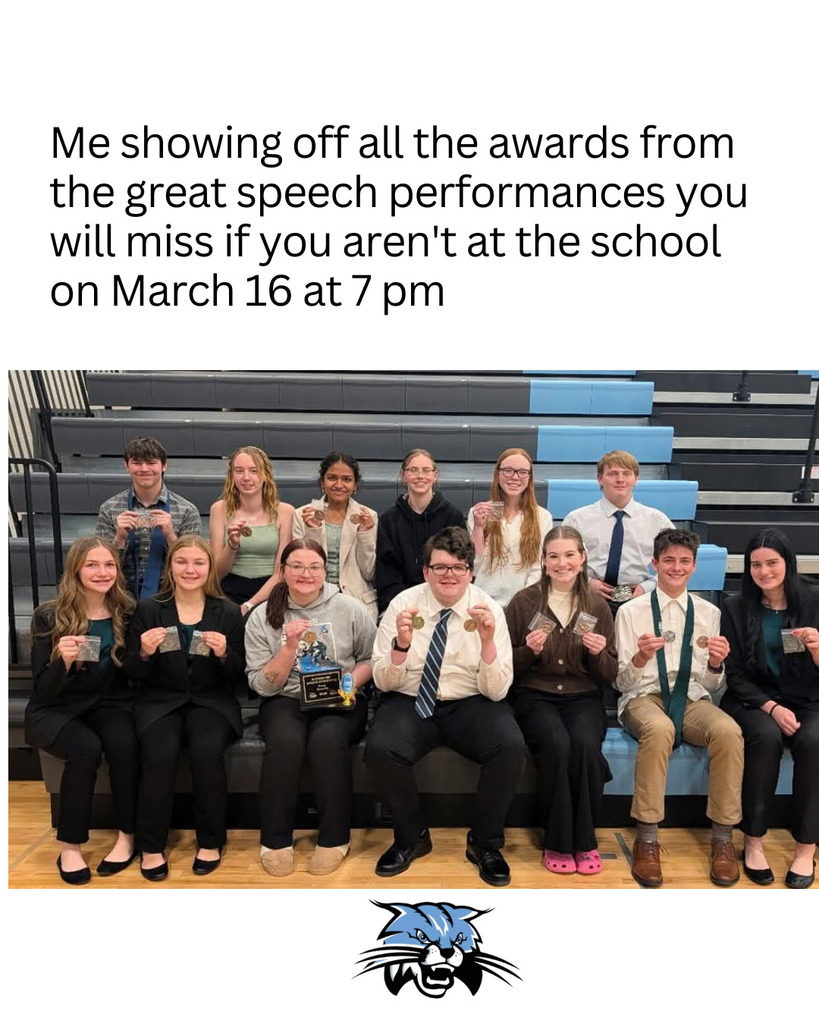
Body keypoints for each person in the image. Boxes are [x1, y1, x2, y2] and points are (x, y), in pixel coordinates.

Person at [366, 526, 525, 887]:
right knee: (379, 748)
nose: (449, 575)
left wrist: (487, 643)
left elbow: (498, 692)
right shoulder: (402, 605)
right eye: (440, 567)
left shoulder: (489, 610)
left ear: (470, 571)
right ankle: (411, 837)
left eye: (458, 567)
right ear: (426, 571)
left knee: (511, 747)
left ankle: (484, 844)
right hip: (410, 699)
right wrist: (401, 647)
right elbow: (383, 681)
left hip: (471, 701)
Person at [614, 527, 743, 887]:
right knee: (659, 728)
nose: (676, 567)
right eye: (668, 560)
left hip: (690, 697)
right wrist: (640, 657)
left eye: (684, 561)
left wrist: (717, 665)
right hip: (643, 697)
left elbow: (714, 685)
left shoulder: (708, 612)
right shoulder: (630, 611)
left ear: (695, 566)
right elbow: (620, 683)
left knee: (729, 732)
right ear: (654, 564)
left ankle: (722, 836)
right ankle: (648, 837)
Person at [244, 539, 376, 877]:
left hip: (339, 697)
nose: (306, 573)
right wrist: (289, 647)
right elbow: (262, 684)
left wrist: (350, 683)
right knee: (286, 744)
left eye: (314, 567)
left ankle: (334, 839)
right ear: (283, 571)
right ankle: (275, 841)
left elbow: (371, 659)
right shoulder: (262, 616)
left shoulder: (349, 607)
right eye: (297, 566)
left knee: (326, 741)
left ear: (324, 571)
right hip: (285, 698)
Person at [125, 536, 245, 881]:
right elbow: (132, 673)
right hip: (160, 701)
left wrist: (224, 655)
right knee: (159, 754)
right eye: (182, 562)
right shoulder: (149, 608)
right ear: (170, 567)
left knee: (207, 752)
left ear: (210, 568)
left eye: (198, 563)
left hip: (211, 701)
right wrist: (145, 653)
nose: (190, 570)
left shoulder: (227, 610)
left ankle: (210, 841)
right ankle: (151, 847)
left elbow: (239, 676)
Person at [25, 537, 138, 885]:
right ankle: (69, 845)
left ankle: (127, 836)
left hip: (108, 704)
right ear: (76, 569)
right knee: (85, 749)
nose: (102, 572)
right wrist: (64, 661)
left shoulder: (128, 612)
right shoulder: (49, 615)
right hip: (57, 707)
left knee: (124, 744)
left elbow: (132, 673)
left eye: (108, 565)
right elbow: (43, 688)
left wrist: (144, 654)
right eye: (92, 564)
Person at [505, 526, 616, 875]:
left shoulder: (597, 605)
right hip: (534, 696)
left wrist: (598, 655)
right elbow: (505, 666)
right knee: (556, 743)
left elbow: (610, 673)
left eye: (569, 555)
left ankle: (585, 841)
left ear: (582, 559)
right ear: (544, 561)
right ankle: (556, 839)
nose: (562, 562)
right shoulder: (523, 602)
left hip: (583, 696)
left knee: (584, 745)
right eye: (554, 555)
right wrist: (528, 652)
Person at [720, 528, 819, 888]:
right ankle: (753, 840)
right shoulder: (734, 606)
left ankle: (806, 848)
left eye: (771, 563)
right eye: (755, 564)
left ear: (787, 563)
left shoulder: (814, 600)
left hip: (808, 698)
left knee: (814, 742)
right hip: (753, 699)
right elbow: (732, 672)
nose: (764, 571)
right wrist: (771, 707)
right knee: (765, 738)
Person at [96, 435, 202, 600]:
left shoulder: (187, 510)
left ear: (164, 465)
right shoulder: (109, 508)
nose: (144, 468)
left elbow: (193, 565)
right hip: (120, 597)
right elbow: (99, 565)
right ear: (126, 466)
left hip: (172, 596)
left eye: (151, 463)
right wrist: (119, 539)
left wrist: (170, 536)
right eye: (137, 463)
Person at [562, 450, 673, 608]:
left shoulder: (658, 521)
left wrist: (647, 587)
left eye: (627, 473)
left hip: (640, 600)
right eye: (613, 474)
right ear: (600, 479)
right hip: (588, 599)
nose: (620, 479)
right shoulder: (577, 520)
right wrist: (586, 583)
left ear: (636, 479)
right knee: (590, 634)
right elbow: (562, 561)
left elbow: (677, 562)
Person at [376, 449, 466, 613]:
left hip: (444, 601)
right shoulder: (389, 519)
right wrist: (404, 607)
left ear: (435, 475)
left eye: (426, 470)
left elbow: (459, 565)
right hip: (402, 604)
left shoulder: (452, 515)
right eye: (413, 470)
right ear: (403, 475)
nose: (420, 476)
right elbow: (387, 572)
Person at [209, 445, 294, 615]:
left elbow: (281, 571)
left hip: (270, 591)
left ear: (266, 475)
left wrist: (250, 604)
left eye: (254, 471)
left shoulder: (286, 512)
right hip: (229, 590)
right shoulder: (219, 509)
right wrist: (232, 545)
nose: (246, 478)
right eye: (239, 471)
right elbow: (216, 574)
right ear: (231, 476)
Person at [292, 451, 378, 619]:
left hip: (356, 600)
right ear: (322, 482)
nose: (339, 484)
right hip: (312, 597)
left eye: (346, 479)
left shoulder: (369, 517)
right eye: (332, 478)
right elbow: (299, 568)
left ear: (355, 485)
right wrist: (313, 531)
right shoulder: (302, 515)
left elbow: (368, 572)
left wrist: (364, 534)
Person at [467, 447, 553, 607]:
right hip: (484, 602)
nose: (515, 477)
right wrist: (478, 527)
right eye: (508, 470)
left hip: (524, 604)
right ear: (498, 474)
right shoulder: (481, 512)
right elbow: (474, 564)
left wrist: (524, 601)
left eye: (522, 472)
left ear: (529, 478)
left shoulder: (542, 517)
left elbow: (538, 567)